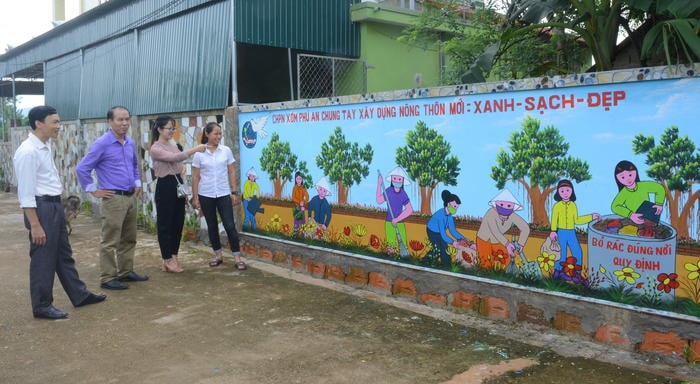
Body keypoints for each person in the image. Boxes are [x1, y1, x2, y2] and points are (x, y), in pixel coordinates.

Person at [13, 105, 106, 319]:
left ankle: (79, 294)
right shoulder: (28, 152)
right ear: (38, 123)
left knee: (64, 255)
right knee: (43, 258)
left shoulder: (44, 147)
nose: (59, 126)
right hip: (41, 209)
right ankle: (42, 305)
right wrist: (35, 224)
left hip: (54, 206)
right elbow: (25, 194)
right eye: (54, 122)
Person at [76, 106, 149, 290]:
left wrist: (138, 182)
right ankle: (108, 278)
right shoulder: (102, 143)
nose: (124, 123)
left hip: (131, 196)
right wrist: (93, 189)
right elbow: (82, 168)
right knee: (110, 240)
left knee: (129, 237)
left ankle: (126, 272)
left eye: (127, 119)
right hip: (113, 198)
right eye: (120, 120)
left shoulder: (130, 142)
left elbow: (134, 164)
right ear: (110, 121)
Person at [148, 116, 206, 273]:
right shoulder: (155, 148)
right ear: (159, 129)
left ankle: (174, 256)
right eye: (169, 128)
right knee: (165, 224)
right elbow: (175, 158)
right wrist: (195, 148)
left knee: (178, 222)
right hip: (165, 185)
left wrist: (185, 191)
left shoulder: (174, 144)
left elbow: (178, 166)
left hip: (178, 185)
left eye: (174, 129)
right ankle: (167, 258)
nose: (172, 132)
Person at [191, 122, 247, 270]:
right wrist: (195, 197)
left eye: (220, 133)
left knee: (229, 225)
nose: (218, 136)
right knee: (212, 226)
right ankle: (218, 255)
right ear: (207, 134)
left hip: (223, 193)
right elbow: (195, 177)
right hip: (206, 194)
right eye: (215, 134)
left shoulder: (226, 151)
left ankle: (237, 257)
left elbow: (232, 171)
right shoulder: (199, 153)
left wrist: (234, 192)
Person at [549, 179, 600, 273]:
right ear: (558, 192)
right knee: (561, 253)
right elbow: (554, 219)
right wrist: (553, 231)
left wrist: (591, 217)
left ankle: (577, 273)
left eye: (567, 190)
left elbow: (577, 220)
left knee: (577, 252)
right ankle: (558, 272)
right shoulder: (557, 206)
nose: (565, 193)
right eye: (562, 191)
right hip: (561, 232)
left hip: (571, 232)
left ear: (572, 191)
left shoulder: (573, 205)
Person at [475, 189, 530, 270]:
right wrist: (507, 244)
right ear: (496, 204)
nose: (504, 207)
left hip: (497, 242)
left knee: (505, 260)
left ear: (513, 207)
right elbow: (495, 231)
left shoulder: (512, 215)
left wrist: (521, 244)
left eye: (508, 206)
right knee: (486, 263)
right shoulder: (491, 213)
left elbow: (525, 228)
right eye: (501, 204)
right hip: (483, 240)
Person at [426, 190, 470, 268]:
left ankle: (443, 265)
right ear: (448, 204)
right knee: (439, 248)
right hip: (432, 231)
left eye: (457, 207)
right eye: (454, 206)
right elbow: (443, 234)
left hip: (439, 232)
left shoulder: (449, 216)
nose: (455, 209)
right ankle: (429, 263)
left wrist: (464, 240)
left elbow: (453, 231)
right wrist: (453, 242)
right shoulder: (440, 215)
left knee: (442, 248)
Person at [611, 160, 665, 225]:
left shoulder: (643, 186)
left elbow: (659, 188)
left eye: (630, 175)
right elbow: (615, 206)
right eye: (623, 177)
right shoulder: (623, 193)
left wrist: (659, 204)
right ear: (618, 179)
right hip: (633, 220)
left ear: (635, 173)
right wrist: (630, 215)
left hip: (649, 216)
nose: (628, 179)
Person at [376, 166, 414, 254]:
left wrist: (397, 219)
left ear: (403, 180)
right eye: (395, 178)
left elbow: (409, 210)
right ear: (392, 179)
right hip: (389, 222)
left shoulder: (403, 194)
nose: (397, 181)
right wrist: (379, 184)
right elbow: (379, 200)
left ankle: (404, 258)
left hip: (399, 222)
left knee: (403, 244)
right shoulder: (388, 191)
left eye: (399, 179)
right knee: (390, 245)